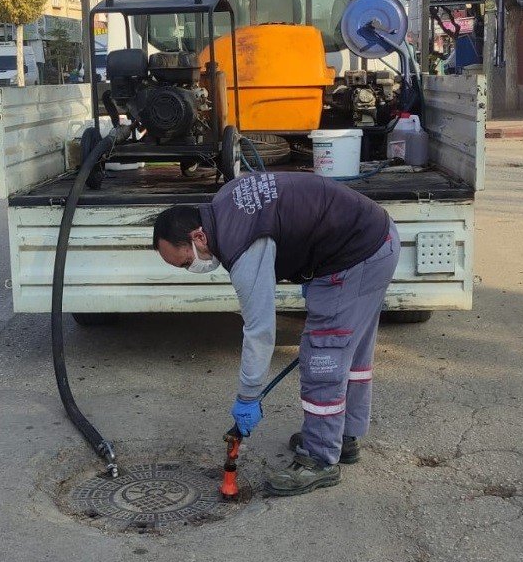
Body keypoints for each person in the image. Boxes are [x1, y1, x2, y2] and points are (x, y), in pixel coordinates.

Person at [152, 172, 399, 498]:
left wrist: (248, 397)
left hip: (356, 254)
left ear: (199, 237)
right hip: (373, 239)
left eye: (185, 263)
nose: (190, 269)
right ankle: (344, 437)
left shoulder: (242, 245)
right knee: (351, 350)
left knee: (323, 356)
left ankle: (320, 458)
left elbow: (260, 329)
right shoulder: (223, 204)